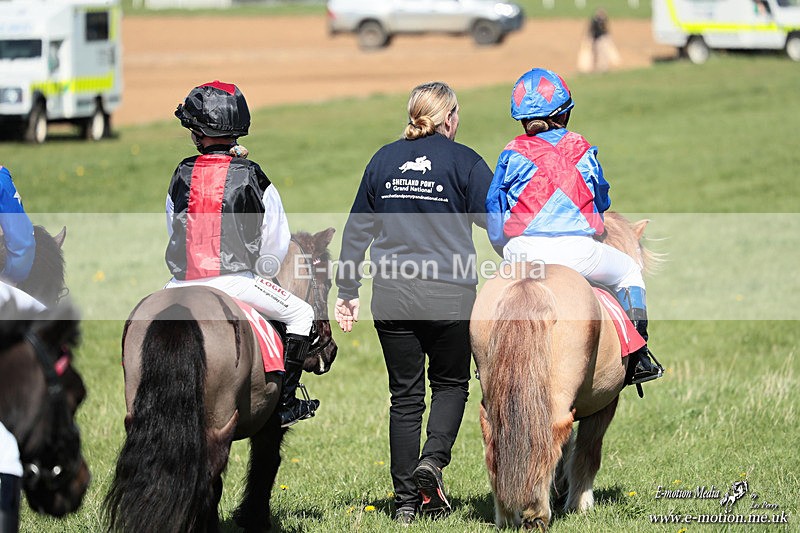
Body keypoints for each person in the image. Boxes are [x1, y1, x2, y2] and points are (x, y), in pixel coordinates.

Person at [334, 82, 493, 524]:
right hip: (450, 297)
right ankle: (433, 462)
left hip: (392, 298)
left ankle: (405, 504)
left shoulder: (382, 160)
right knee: (451, 385)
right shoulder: (465, 161)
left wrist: (347, 293)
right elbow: (498, 228)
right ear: (449, 118)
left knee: (404, 398)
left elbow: (355, 233)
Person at [485, 67, 663, 386]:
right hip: (576, 252)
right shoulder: (581, 147)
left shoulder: (510, 153)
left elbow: (494, 211)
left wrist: (505, 248)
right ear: (564, 115)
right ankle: (639, 358)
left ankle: (485, 360)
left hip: (521, 253)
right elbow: (601, 200)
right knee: (628, 272)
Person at [165, 80, 318, 427]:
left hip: (179, 284)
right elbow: (276, 244)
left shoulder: (180, 174)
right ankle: (286, 404)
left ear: (196, 133)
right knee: (302, 315)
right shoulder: (253, 176)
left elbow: (173, 226)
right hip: (236, 281)